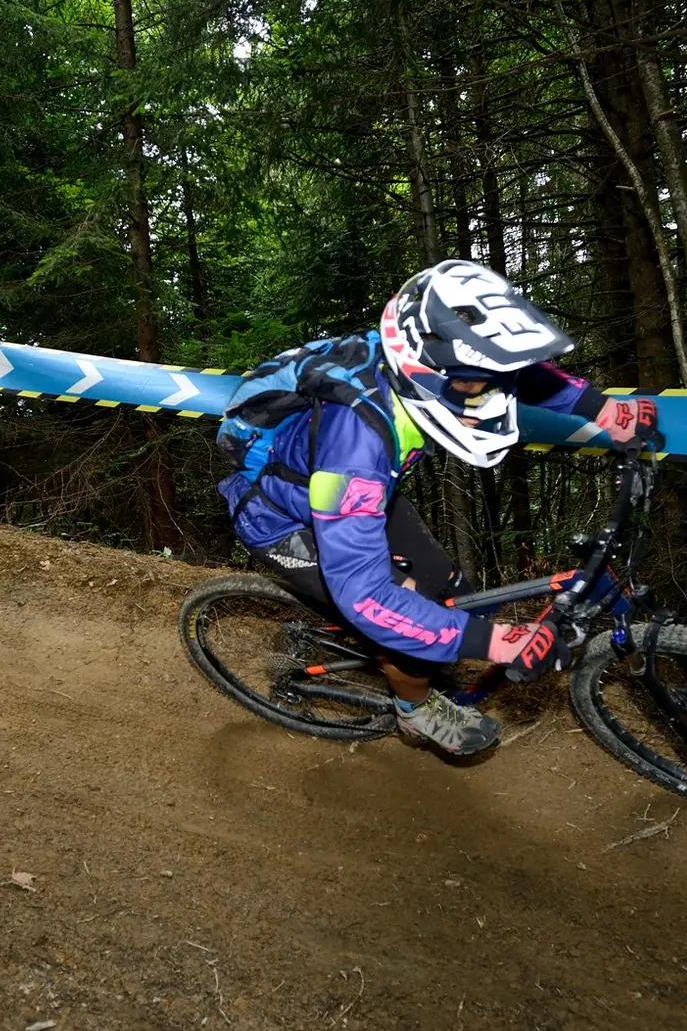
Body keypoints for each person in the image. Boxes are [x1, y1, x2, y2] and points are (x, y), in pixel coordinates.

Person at [218, 260, 659, 756]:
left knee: (453, 593)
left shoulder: (418, 359)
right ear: (424, 374)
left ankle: (412, 653)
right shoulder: (356, 453)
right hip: (277, 515)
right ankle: (414, 711)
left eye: (488, 380)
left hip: (351, 487)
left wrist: (605, 410)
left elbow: (513, 373)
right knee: (407, 641)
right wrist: (497, 643)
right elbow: (366, 596)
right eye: (472, 385)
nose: (489, 395)